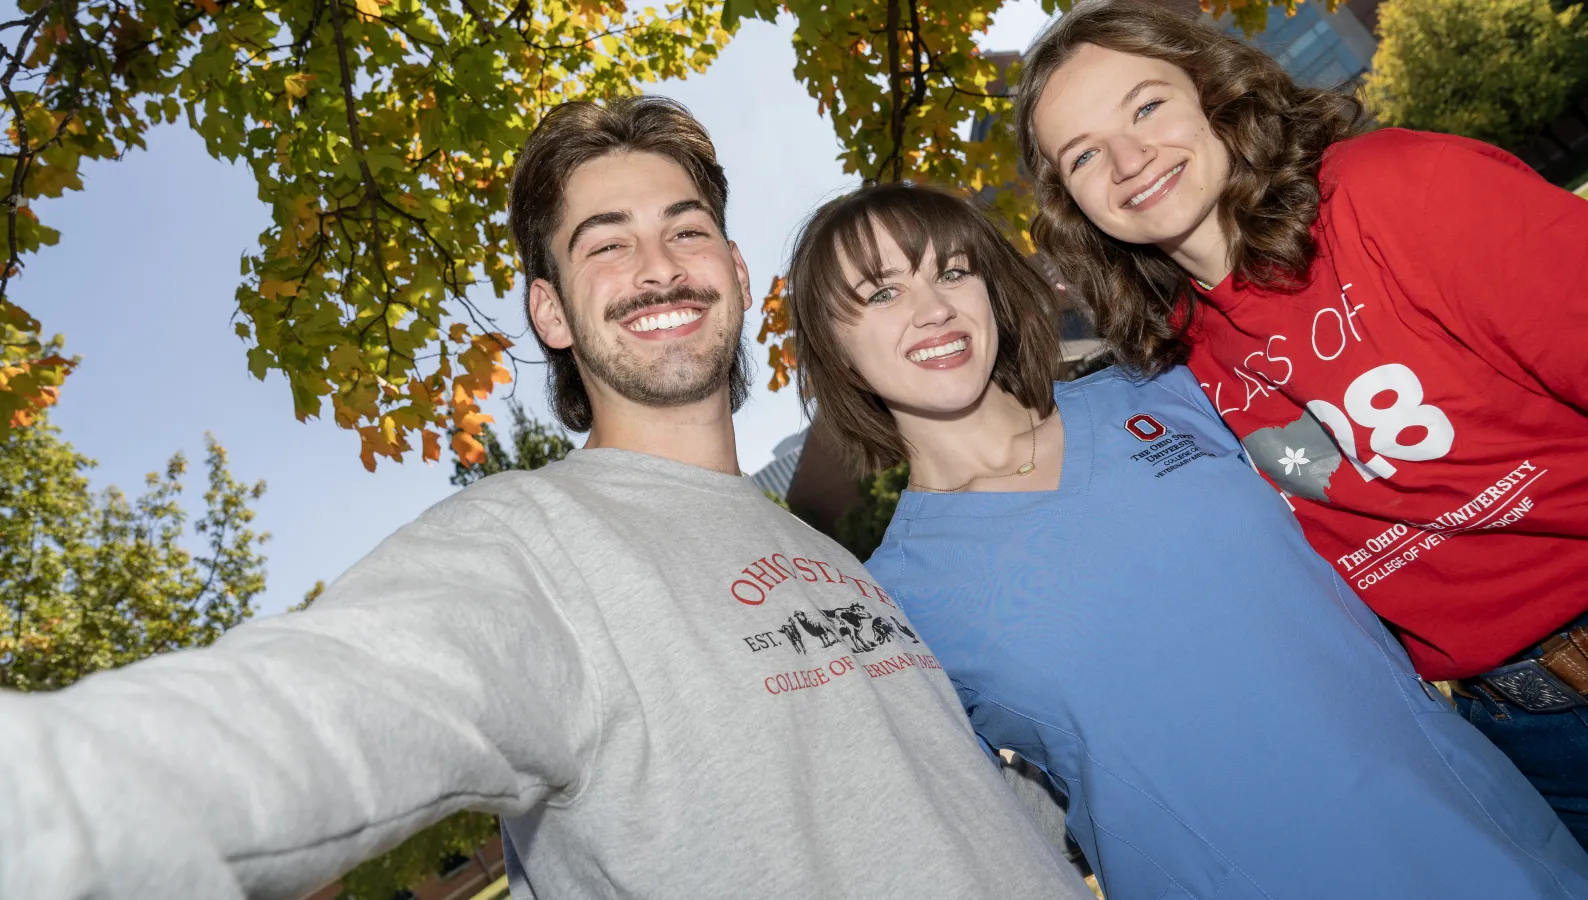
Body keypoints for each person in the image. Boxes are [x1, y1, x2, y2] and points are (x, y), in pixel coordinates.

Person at [0, 97, 1097, 900]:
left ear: (731, 266)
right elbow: (317, 710)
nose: (659, 264)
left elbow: (953, 801)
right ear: (552, 313)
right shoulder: (529, 546)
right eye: (604, 246)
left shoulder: (826, 558)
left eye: (683, 228)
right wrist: (45, 802)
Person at [783, 179, 1588, 900]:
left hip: (1485, 844)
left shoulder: (1174, 391)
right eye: (881, 293)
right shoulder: (893, 600)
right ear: (836, 347)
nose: (933, 310)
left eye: (953, 272)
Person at [1014, 0, 1588, 849]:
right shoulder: (1177, 374)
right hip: (1520, 740)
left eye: (1146, 106)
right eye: (1085, 155)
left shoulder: (1394, 191)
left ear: (1217, 97)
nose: (1130, 160)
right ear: (1074, 205)